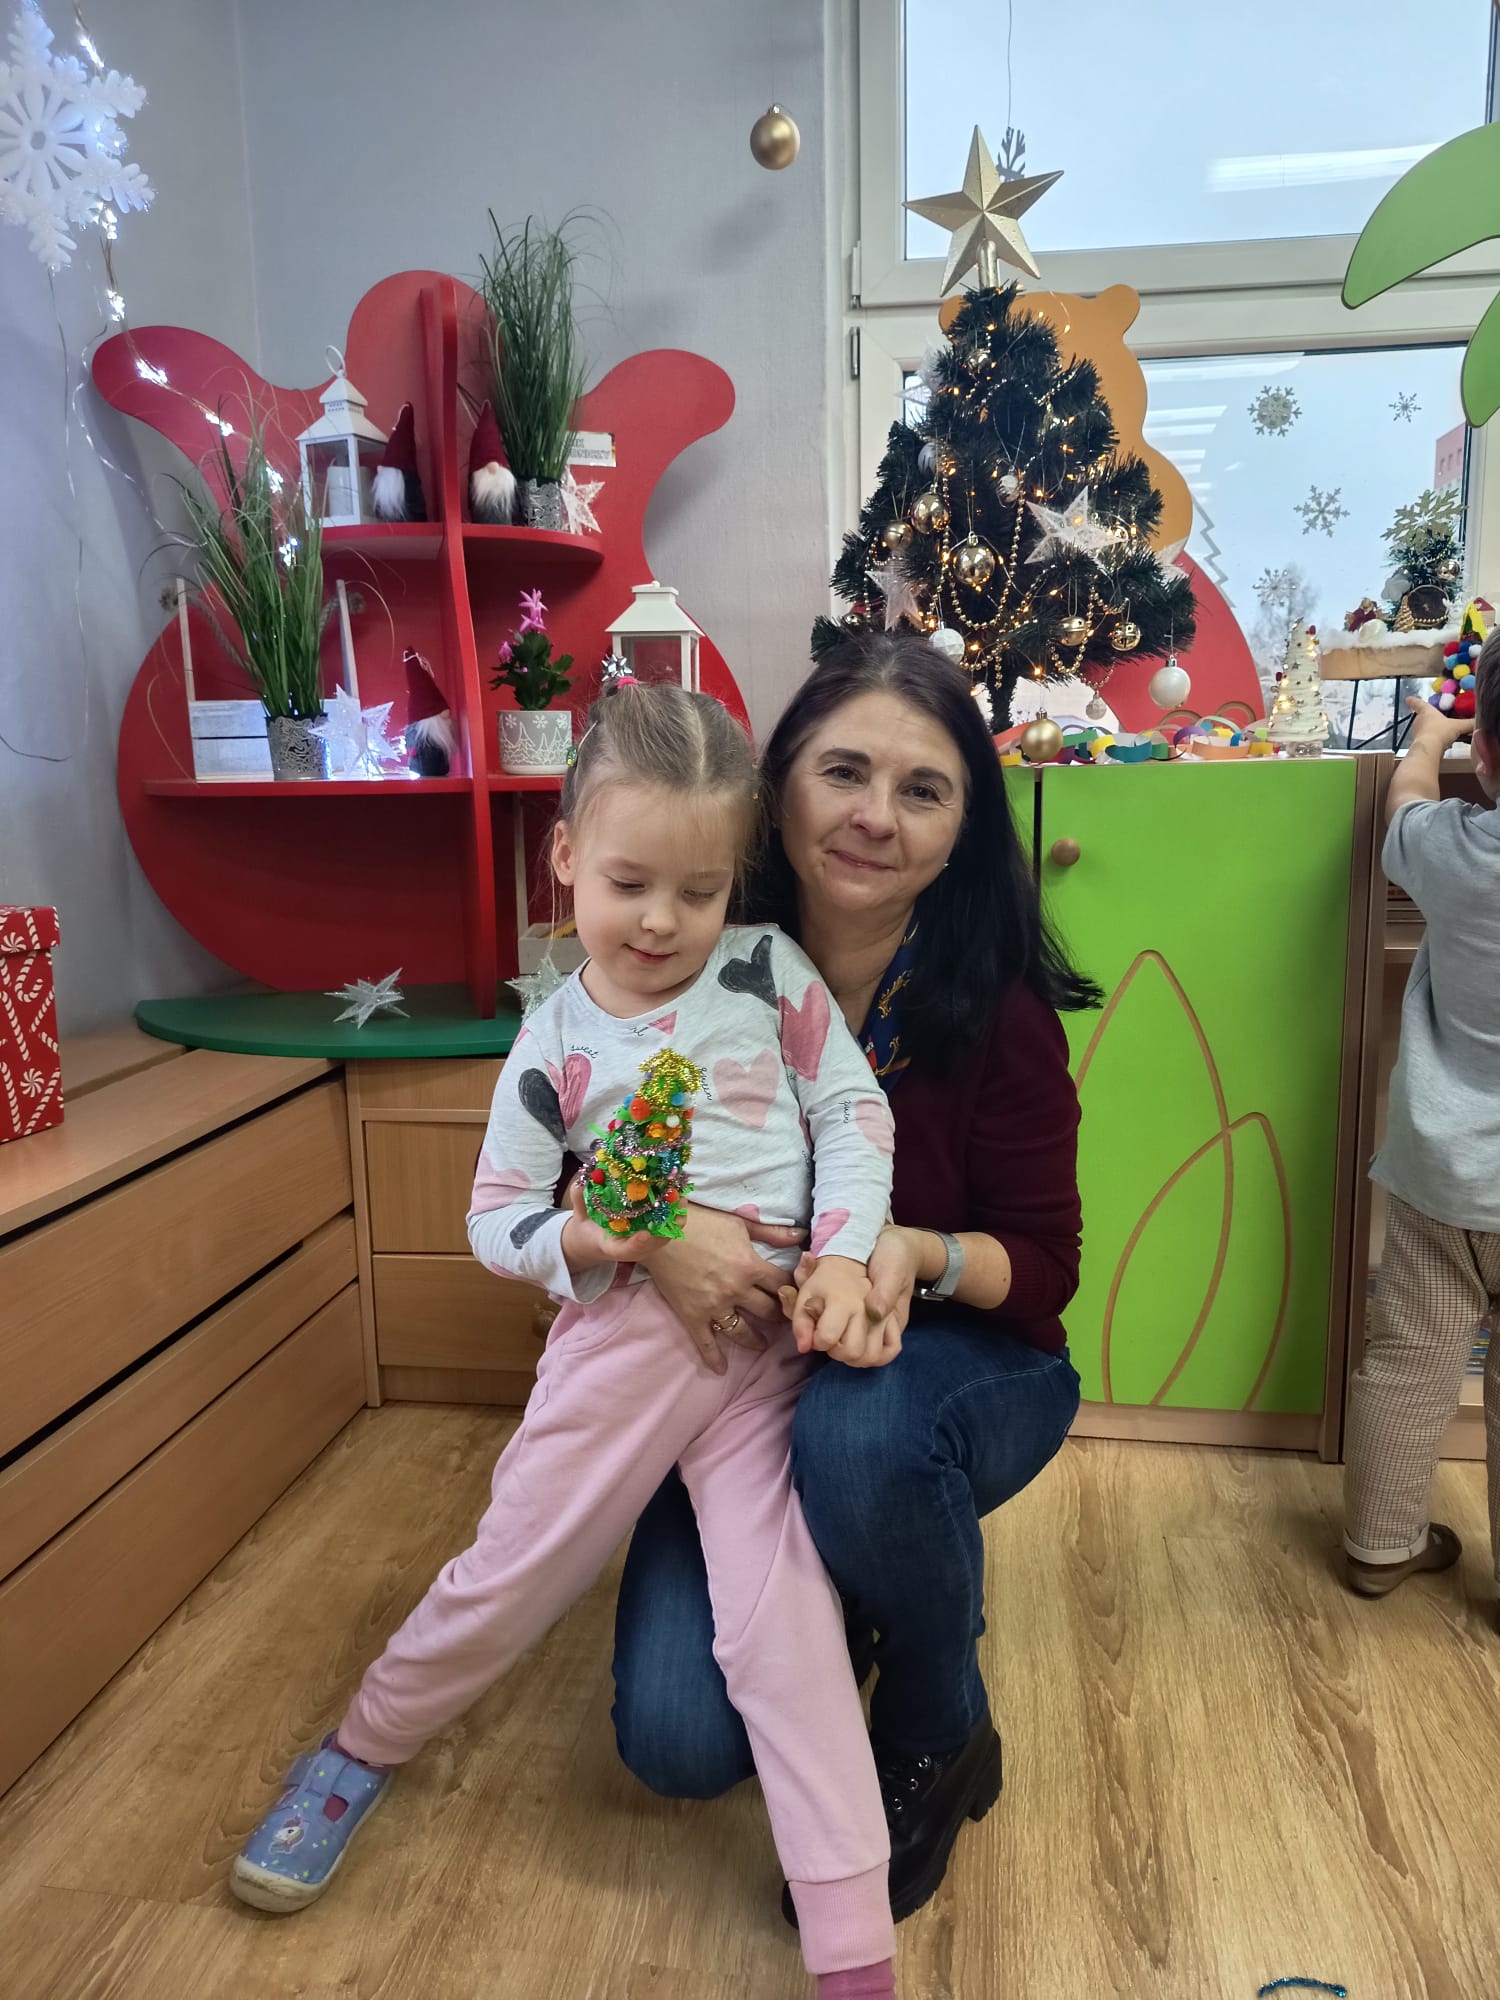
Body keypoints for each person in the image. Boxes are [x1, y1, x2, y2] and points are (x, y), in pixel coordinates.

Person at [230, 681, 905, 2000]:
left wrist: (839, 1251)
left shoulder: (769, 969)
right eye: (628, 882)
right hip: (625, 1345)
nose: (661, 920)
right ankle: (361, 1747)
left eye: (698, 891)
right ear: (565, 858)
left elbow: (853, 1114)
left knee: (783, 1623)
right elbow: (496, 1222)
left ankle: (851, 1943)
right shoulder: (553, 1042)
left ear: (734, 882)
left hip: (773, 1353)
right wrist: (615, 1238)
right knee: (514, 1571)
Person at [612, 632, 1096, 1922]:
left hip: (960, 1362)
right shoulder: (687, 951)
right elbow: (567, 1158)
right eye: (843, 771)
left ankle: (940, 1722)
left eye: (922, 789)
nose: (876, 815)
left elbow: (1047, 1267)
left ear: (962, 826)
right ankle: (864, 1576)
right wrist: (659, 1234)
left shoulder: (994, 1012)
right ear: (779, 785)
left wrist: (915, 1254)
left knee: (859, 1433)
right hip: (733, 1386)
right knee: (676, 1741)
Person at [1344, 652, 1500, 1609]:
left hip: (1442, 1179)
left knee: (1408, 1362)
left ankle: (1379, 1543)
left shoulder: (1458, 850)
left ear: (1489, 754)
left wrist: (1430, 739)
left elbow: (1402, 807)